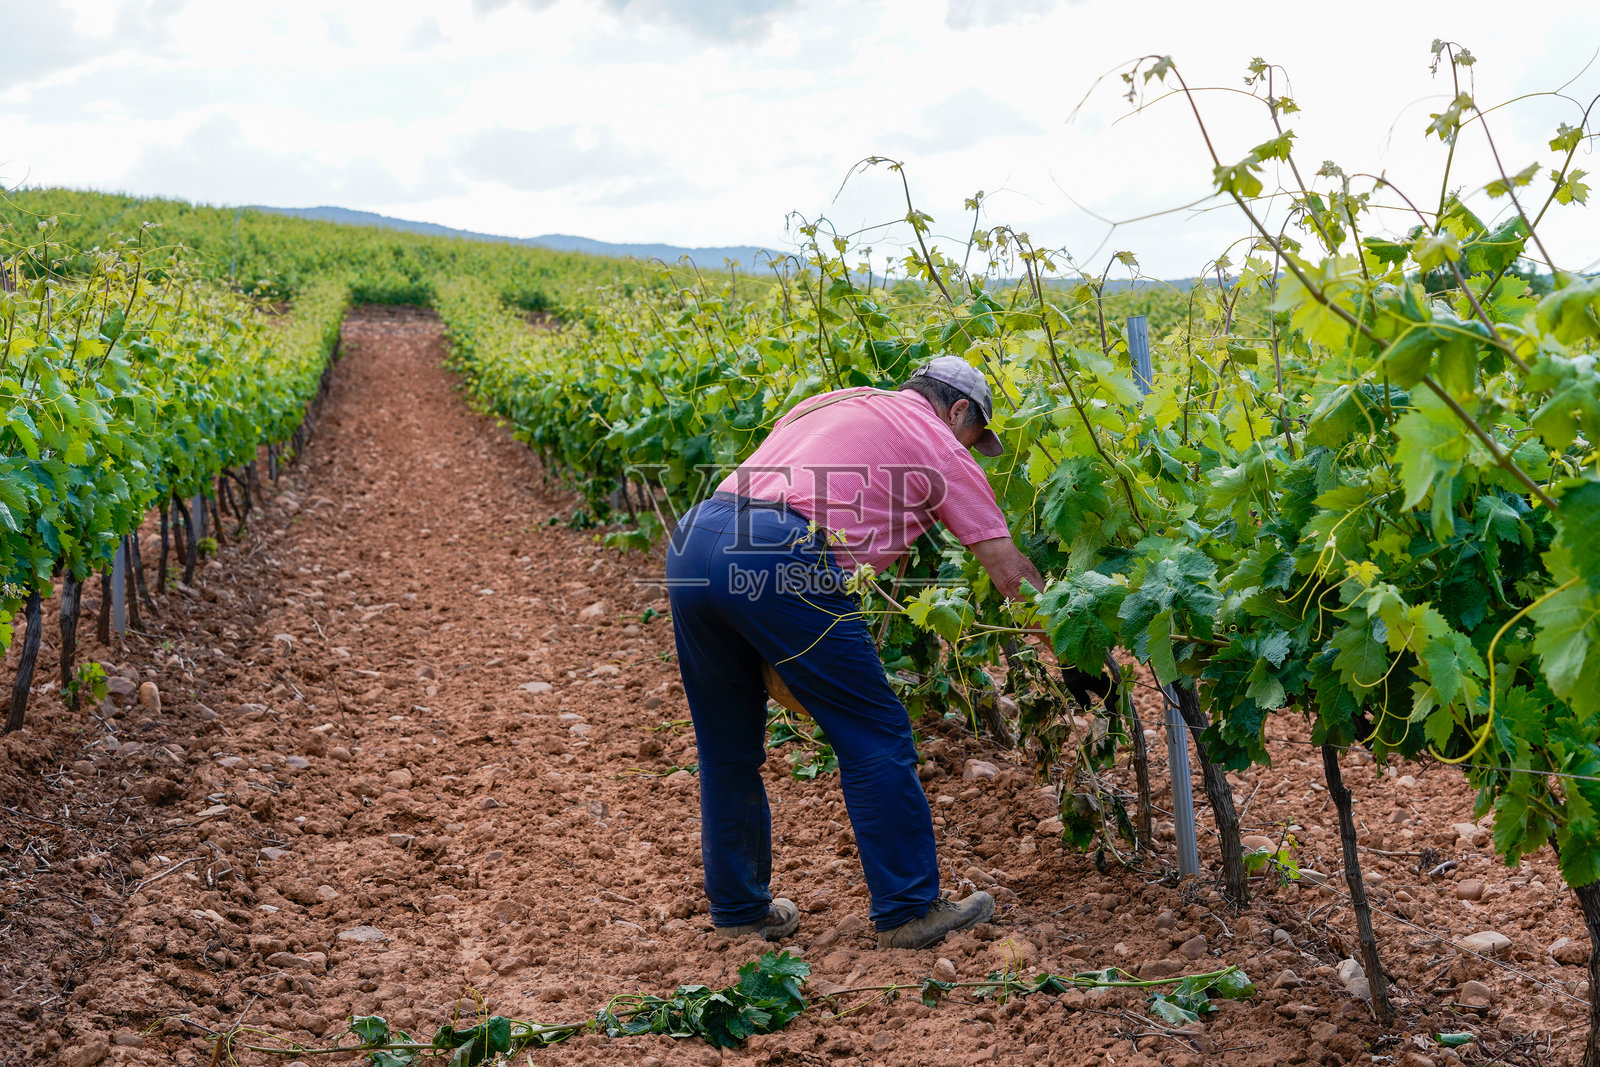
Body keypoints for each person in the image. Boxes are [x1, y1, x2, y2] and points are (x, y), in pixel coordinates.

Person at [664, 356, 1052, 950]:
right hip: (781, 552)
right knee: (875, 733)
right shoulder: (940, 443)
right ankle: (909, 910)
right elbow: (1010, 574)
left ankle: (739, 911)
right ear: (958, 412)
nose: (970, 450)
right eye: (975, 438)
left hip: (697, 536)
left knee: (726, 747)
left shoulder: (835, 402)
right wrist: (1075, 638)